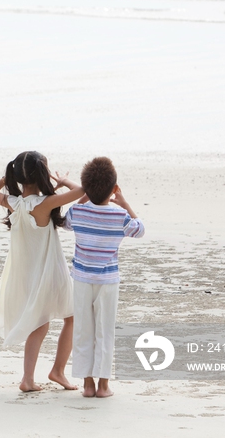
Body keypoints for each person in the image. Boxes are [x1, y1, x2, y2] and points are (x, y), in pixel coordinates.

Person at [0, 151, 84, 392]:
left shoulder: (13, 203)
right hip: (49, 270)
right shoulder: (45, 204)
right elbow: (82, 191)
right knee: (70, 317)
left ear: (17, 176)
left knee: (40, 324)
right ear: (42, 174)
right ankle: (55, 371)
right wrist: (60, 182)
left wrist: (9, 176)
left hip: (26, 274)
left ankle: (29, 378)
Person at [63, 156, 145, 397]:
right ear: (114, 189)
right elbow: (140, 229)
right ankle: (104, 385)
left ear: (86, 188)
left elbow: (66, 223)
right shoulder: (119, 217)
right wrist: (125, 202)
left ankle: (87, 384)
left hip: (81, 279)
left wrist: (83, 196)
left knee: (83, 330)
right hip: (108, 282)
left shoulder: (77, 211)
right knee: (105, 331)